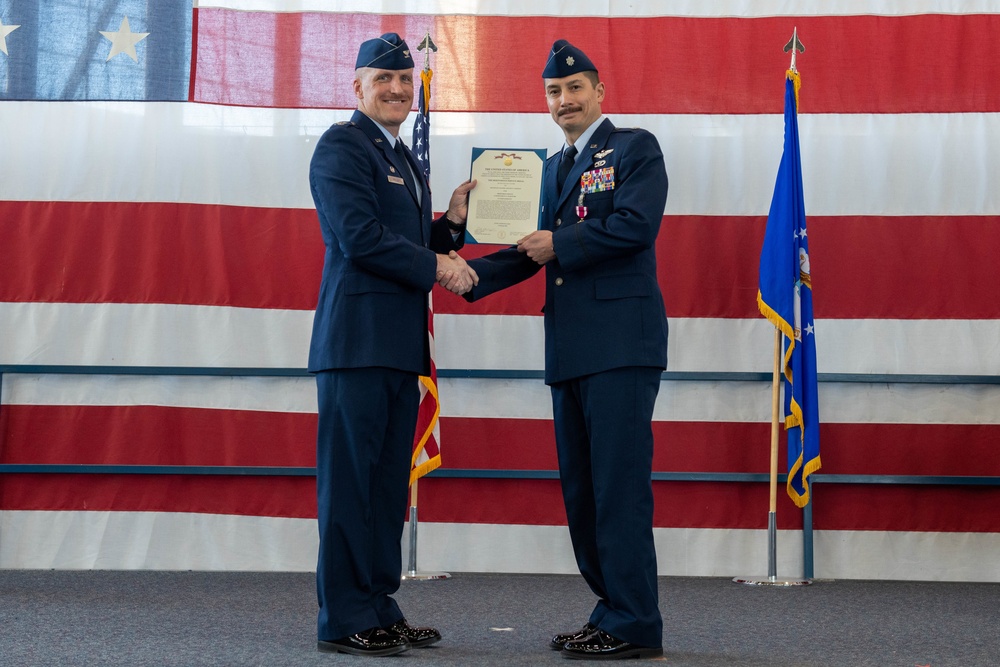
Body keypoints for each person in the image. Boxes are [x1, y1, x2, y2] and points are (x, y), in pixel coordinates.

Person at [464, 40, 668, 660]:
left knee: (617, 489)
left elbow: (635, 225)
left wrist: (564, 243)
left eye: (575, 88)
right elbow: (529, 246)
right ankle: (611, 611)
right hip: (571, 350)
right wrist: (464, 272)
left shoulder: (635, 147)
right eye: (554, 92)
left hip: (620, 345)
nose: (564, 101)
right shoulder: (548, 168)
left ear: (600, 92)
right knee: (582, 493)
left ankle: (635, 622)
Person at [308, 32, 478, 657]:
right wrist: (440, 267)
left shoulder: (403, 158)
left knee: (384, 485)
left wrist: (451, 224)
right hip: (355, 345)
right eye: (384, 79)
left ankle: (378, 604)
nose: (399, 89)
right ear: (357, 86)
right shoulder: (341, 147)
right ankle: (345, 616)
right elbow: (360, 238)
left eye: (405, 80)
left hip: (397, 345)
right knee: (351, 485)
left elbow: (403, 237)